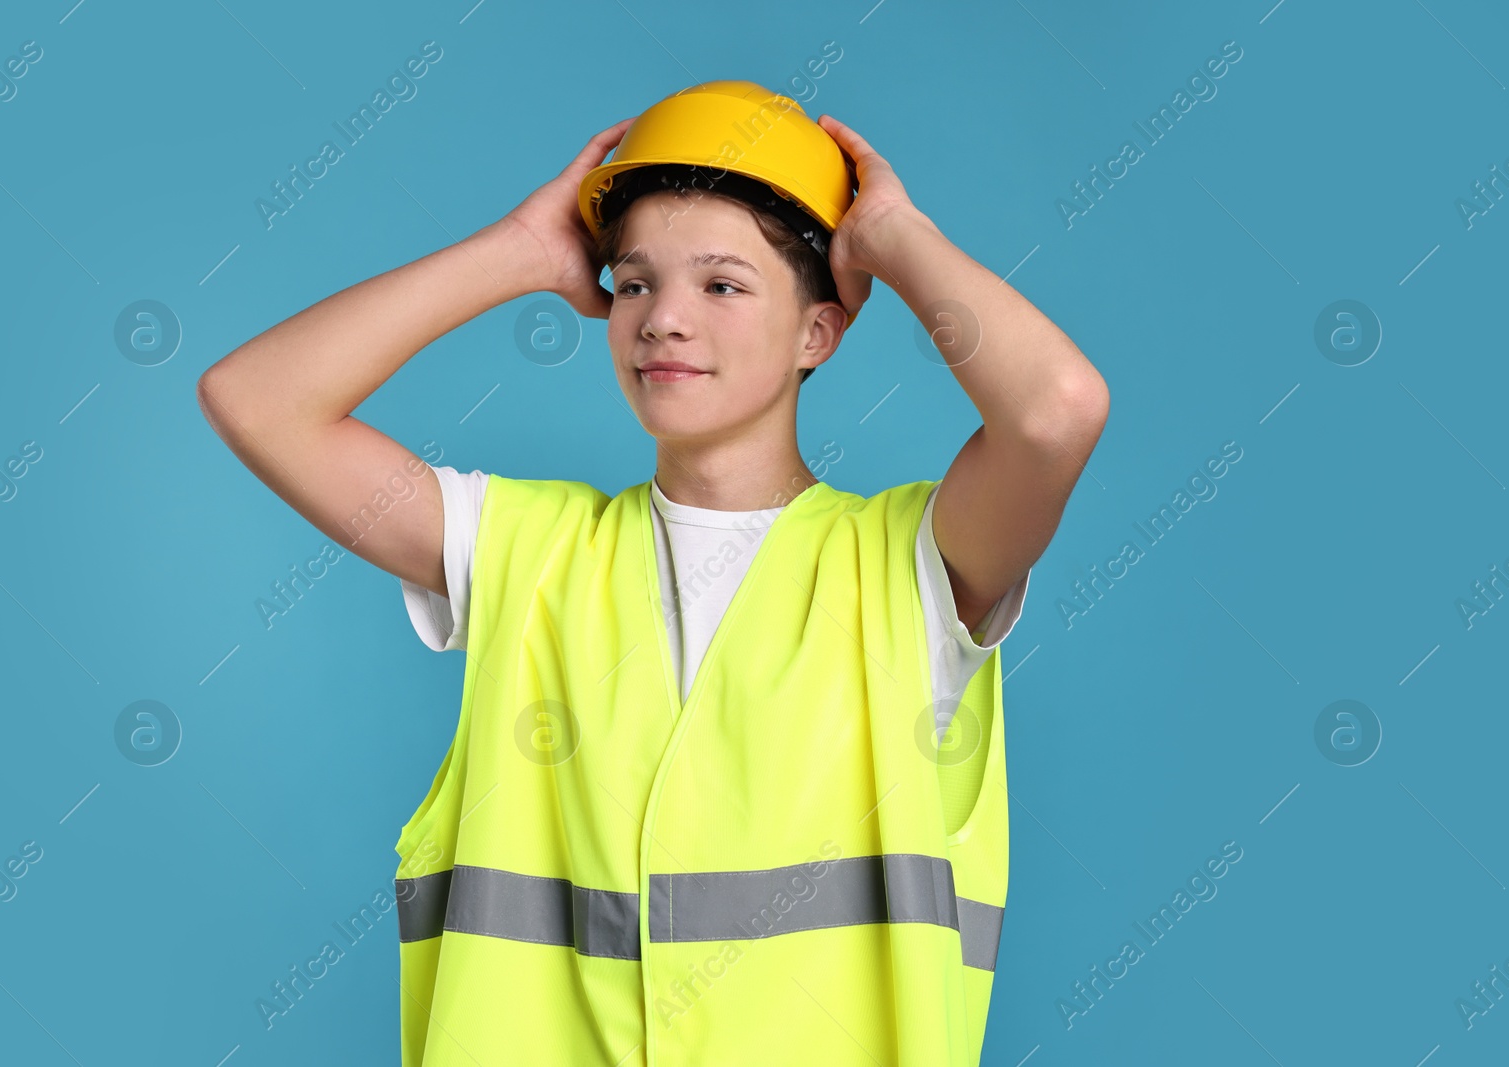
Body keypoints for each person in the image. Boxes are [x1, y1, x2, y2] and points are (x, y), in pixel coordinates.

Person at [198, 81, 1107, 1066]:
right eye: (634, 282)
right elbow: (256, 400)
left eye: (721, 284)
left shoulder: (909, 569)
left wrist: (889, 232)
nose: (662, 319)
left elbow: (1056, 410)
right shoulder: (521, 548)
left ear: (818, 333)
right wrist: (522, 251)